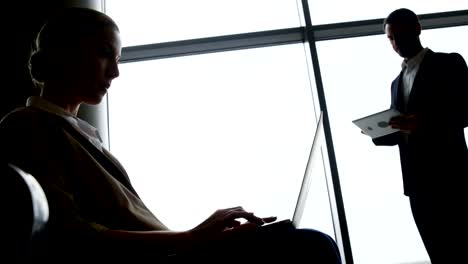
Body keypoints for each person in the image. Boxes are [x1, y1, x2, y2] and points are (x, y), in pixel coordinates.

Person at [0, 7, 341, 263]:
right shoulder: (27, 124)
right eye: (105, 53)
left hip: (174, 253)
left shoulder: (80, 136)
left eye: (117, 59)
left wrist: (203, 237)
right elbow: (71, 236)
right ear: (64, 51)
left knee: (300, 242)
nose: (115, 72)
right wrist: (193, 238)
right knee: (309, 247)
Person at [374, 8, 468, 263]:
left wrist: (424, 122)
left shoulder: (449, 63)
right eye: (390, 38)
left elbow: (465, 111)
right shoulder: (395, 82)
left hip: (452, 178)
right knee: (439, 253)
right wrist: (378, 130)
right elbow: (401, 130)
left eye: (400, 34)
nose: (395, 43)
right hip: (417, 185)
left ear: (417, 28)